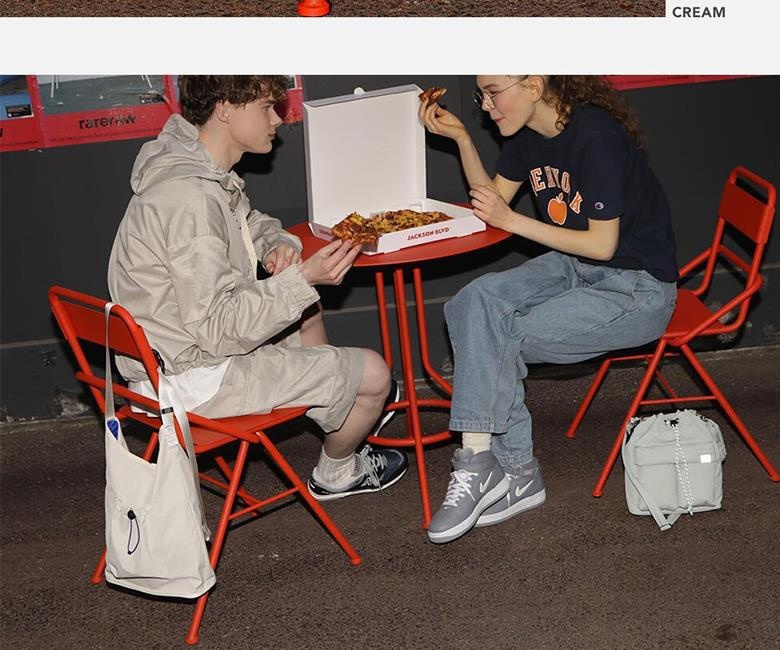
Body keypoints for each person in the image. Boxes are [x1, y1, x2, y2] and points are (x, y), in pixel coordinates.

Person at [108, 75, 407, 501]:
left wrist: (275, 245)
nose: (278, 119)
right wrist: (302, 279)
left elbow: (249, 221)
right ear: (225, 109)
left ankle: (339, 404)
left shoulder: (193, 167)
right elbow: (217, 330)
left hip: (170, 360)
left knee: (308, 314)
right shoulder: (192, 201)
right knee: (376, 374)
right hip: (192, 381)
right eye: (266, 108)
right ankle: (337, 469)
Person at [418, 75, 678, 544]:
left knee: (504, 334)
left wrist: (512, 221)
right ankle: (483, 460)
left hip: (636, 288)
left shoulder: (595, 137)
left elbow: (602, 245)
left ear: (534, 85)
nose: (486, 106)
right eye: (482, 95)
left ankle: (511, 471)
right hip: (576, 266)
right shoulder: (527, 134)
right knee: (473, 302)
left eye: (493, 92)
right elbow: (493, 205)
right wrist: (461, 140)